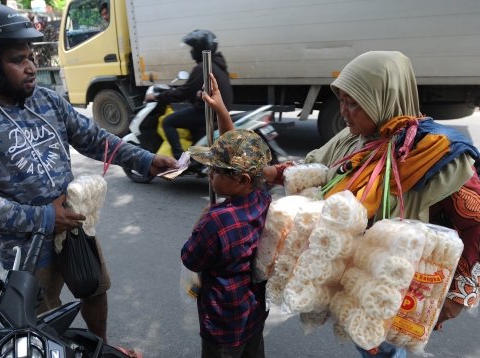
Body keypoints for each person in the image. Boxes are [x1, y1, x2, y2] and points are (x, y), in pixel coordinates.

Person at [0, 4, 176, 357]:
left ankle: (100, 349)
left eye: (30, 56)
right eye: (18, 60)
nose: (32, 66)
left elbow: (95, 139)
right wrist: (46, 218)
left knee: (94, 290)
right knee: (40, 331)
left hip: (75, 230)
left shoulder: (46, 100)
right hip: (28, 252)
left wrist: (145, 160)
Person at [262, 51, 480, 357]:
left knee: (384, 348)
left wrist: (459, 296)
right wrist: (273, 173)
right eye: (342, 100)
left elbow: (476, 224)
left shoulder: (437, 153)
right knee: (369, 344)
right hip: (353, 277)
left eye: (355, 103)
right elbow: (319, 171)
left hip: (398, 281)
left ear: (384, 99)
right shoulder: (351, 139)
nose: (344, 111)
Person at [181, 75, 271, 358]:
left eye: (216, 172)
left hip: (222, 324)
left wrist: (200, 221)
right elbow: (236, 150)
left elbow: (190, 258)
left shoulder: (216, 221)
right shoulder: (262, 198)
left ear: (242, 179)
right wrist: (221, 111)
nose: (210, 175)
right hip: (252, 315)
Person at [144, 29, 233, 160]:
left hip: (207, 113)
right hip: (217, 112)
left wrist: (157, 96)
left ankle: (179, 160)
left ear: (199, 49)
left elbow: (183, 92)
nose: (191, 51)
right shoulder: (218, 65)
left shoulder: (203, 67)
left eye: (193, 48)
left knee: (168, 122)